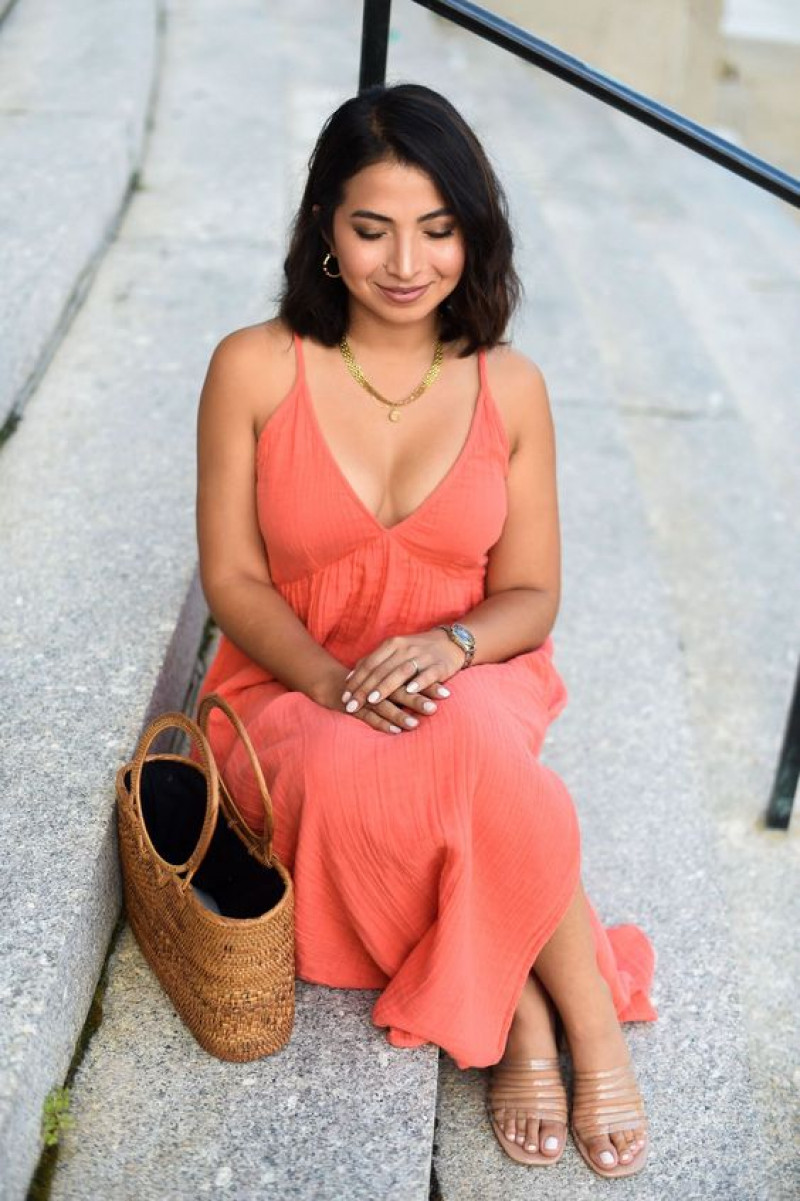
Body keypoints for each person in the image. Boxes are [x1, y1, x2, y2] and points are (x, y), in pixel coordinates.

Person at [194, 83, 655, 1178]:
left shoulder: (511, 384)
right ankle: (539, 1016)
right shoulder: (254, 366)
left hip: (473, 663)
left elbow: (530, 595)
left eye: (437, 230)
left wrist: (448, 648)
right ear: (322, 231)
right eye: (370, 229)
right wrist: (334, 677)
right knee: (394, 779)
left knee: (468, 745)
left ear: (473, 232)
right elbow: (232, 579)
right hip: (291, 678)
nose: (405, 262)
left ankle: (571, 1027)